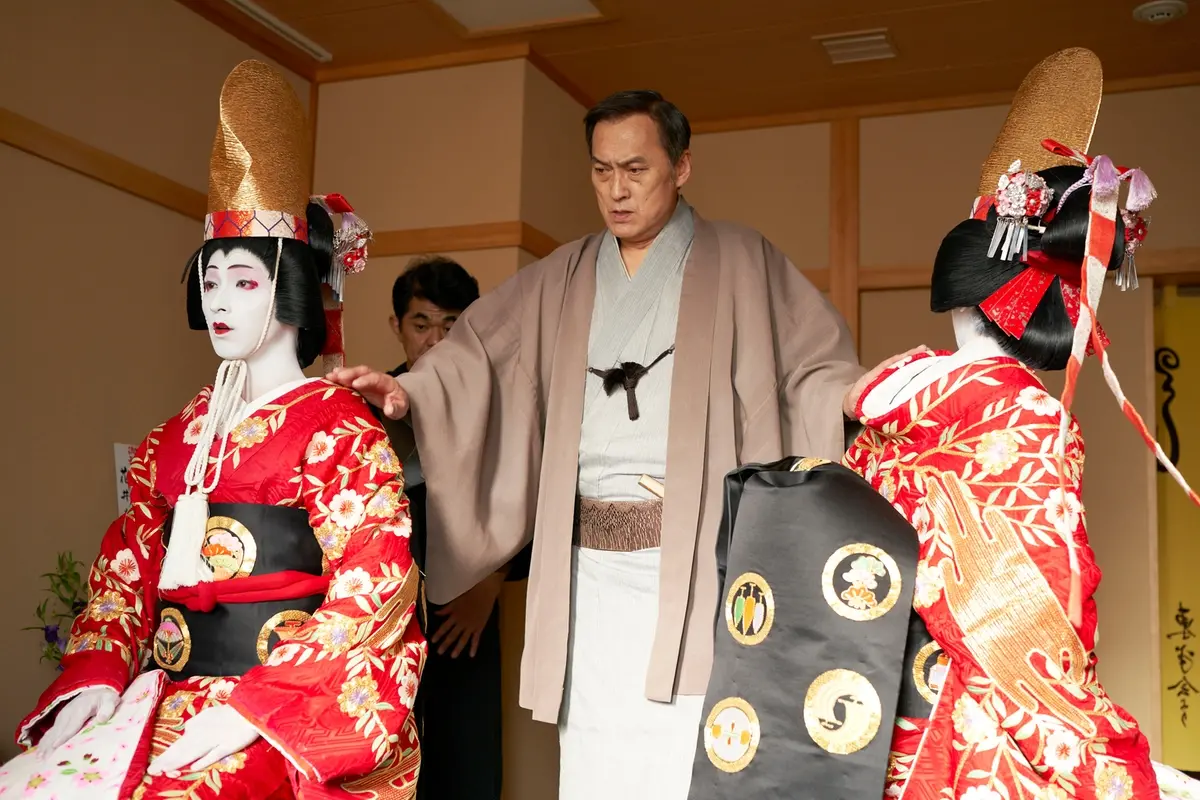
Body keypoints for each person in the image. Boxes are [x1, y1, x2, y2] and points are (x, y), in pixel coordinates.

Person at [329, 89, 898, 797]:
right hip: (586, 573)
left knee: (687, 755)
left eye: (636, 169)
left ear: (682, 167)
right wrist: (409, 394)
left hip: (695, 566)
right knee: (594, 757)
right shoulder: (562, 278)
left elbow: (810, 370)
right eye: (601, 171)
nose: (617, 191)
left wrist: (853, 396)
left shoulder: (744, 261)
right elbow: (476, 358)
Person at [0, 60, 424, 799]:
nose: (220, 298)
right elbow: (128, 570)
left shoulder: (340, 435)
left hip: (273, 707)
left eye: (244, 280)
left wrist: (263, 710)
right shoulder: (174, 439)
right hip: (162, 691)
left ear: (291, 289)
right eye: (211, 278)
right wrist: (95, 676)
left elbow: (373, 580)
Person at [841, 48, 1200, 799]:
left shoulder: (894, 400)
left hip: (874, 719)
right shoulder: (1028, 418)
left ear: (964, 295)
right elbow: (1052, 613)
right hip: (983, 736)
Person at [379, 256, 530, 800]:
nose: (437, 341)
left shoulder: (500, 404)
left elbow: (530, 500)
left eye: (453, 325)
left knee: (466, 757)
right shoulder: (373, 402)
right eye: (422, 324)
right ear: (396, 327)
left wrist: (491, 584)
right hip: (383, 615)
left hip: (463, 616)